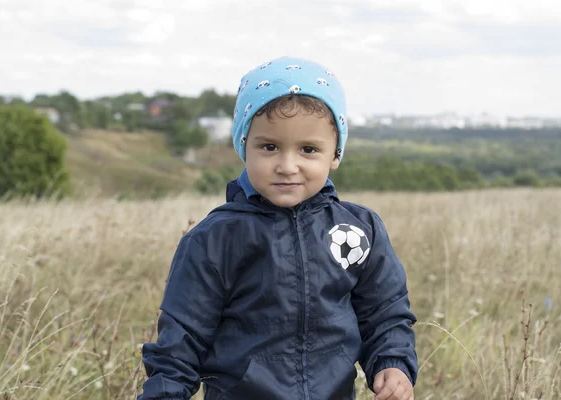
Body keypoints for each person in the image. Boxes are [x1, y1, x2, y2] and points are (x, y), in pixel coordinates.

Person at [138, 56, 417, 400]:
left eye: (308, 149)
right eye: (269, 147)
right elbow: (181, 340)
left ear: (335, 155)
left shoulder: (360, 229)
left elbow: (384, 314)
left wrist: (392, 363)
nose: (288, 166)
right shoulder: (214, 238)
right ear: (244, 146)